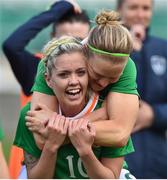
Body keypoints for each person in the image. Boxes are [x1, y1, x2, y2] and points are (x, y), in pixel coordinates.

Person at [14, 36, 135, 179]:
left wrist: (85, 150)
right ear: (48, 79)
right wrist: (51, 146)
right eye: (63, 74)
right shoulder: (32, 117)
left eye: (80, 72)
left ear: (89, 74)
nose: (73, 81)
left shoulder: (110, 115)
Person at [2, 0, 90, 178]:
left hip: (78, 166)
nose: (70, 47)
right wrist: (57, 10)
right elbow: (12, 46)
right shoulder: (39, 67)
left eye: (78, 40)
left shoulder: (93, 72)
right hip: (35, 164)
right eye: (63, 39)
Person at [117, 0, 167, 178]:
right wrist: (130, 49)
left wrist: (153, 115)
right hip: (117, 160)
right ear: (119, 10)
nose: (140, 14)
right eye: (133, 8)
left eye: (145, 8)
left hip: (157, 161)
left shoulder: (163, 48)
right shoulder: (106, 49)